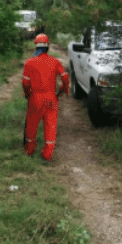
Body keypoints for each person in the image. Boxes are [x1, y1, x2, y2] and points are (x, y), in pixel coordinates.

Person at [22, 34, 69, 162]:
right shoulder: (55, 61)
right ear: (48, 46)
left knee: (32, 124)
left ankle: (30, 149)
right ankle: (47, 154)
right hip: (51, 97)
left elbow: (25, 82)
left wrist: (27, 94)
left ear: (36, 46)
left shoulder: (29, 62)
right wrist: (63, 90)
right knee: (51, 125)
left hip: (35, 98)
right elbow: (65, 77)